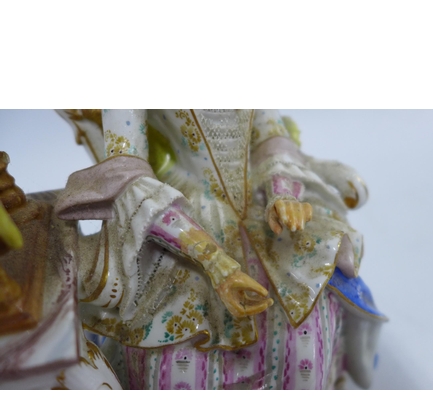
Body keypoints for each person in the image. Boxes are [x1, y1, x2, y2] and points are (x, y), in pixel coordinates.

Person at [55, 109, 385, 389]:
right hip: (182, 215)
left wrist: (283, 194)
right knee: (181, 348)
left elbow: (270, 135)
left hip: (261, 201)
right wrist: (213, 261)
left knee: (303, 325)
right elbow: (129, 178)